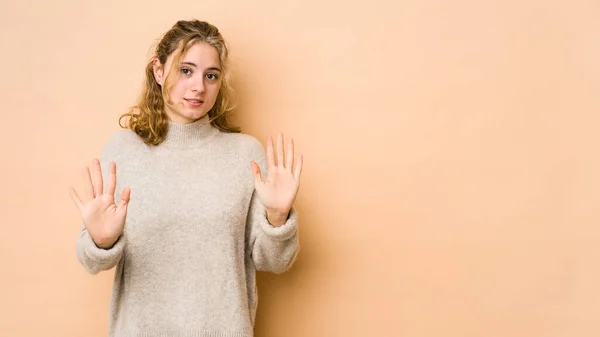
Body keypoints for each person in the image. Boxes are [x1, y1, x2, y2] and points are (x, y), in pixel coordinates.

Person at [69, 19, 303, 337]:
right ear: (158, 70)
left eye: (211, 75)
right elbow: (90, 260)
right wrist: (102, 241)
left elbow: (273, 262)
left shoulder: (244, 154)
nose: (198, 87)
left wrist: (277, 218)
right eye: (185, 70)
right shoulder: (122, 149)